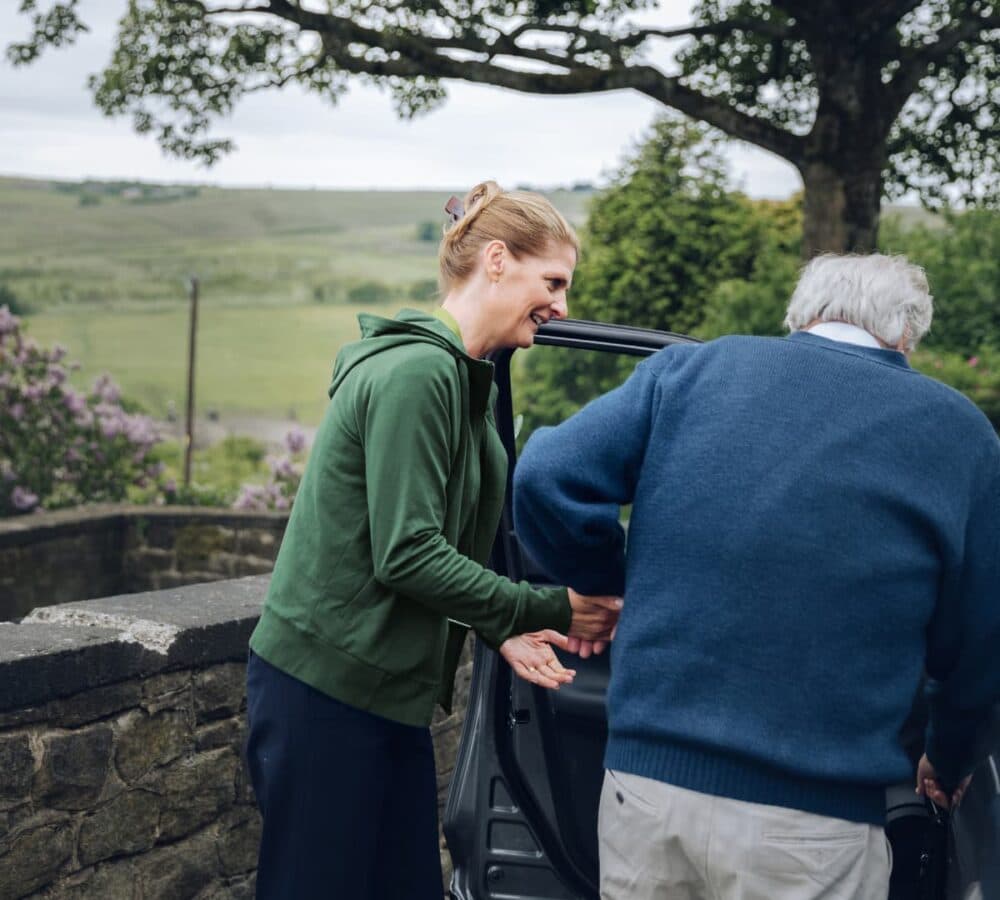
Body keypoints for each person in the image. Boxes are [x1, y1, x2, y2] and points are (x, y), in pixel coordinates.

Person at [513, 253, 1000, 900]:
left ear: (799, 314)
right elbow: (975, 638)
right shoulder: (959, 434)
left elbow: (547, 473)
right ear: (907, 335)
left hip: (646, 793)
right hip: (813, 826)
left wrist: (610, 579)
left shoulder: (692, 369)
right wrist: (947, 752)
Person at [245, 181, 621, 899]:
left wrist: (499, 628)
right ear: (499, 260)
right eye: (554, 282)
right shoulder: (419, 374)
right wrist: (545, 609)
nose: (563, 307)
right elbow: (407, 552)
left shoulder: (463, 378)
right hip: (325, 690)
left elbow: (442, 541)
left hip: (383, 695)